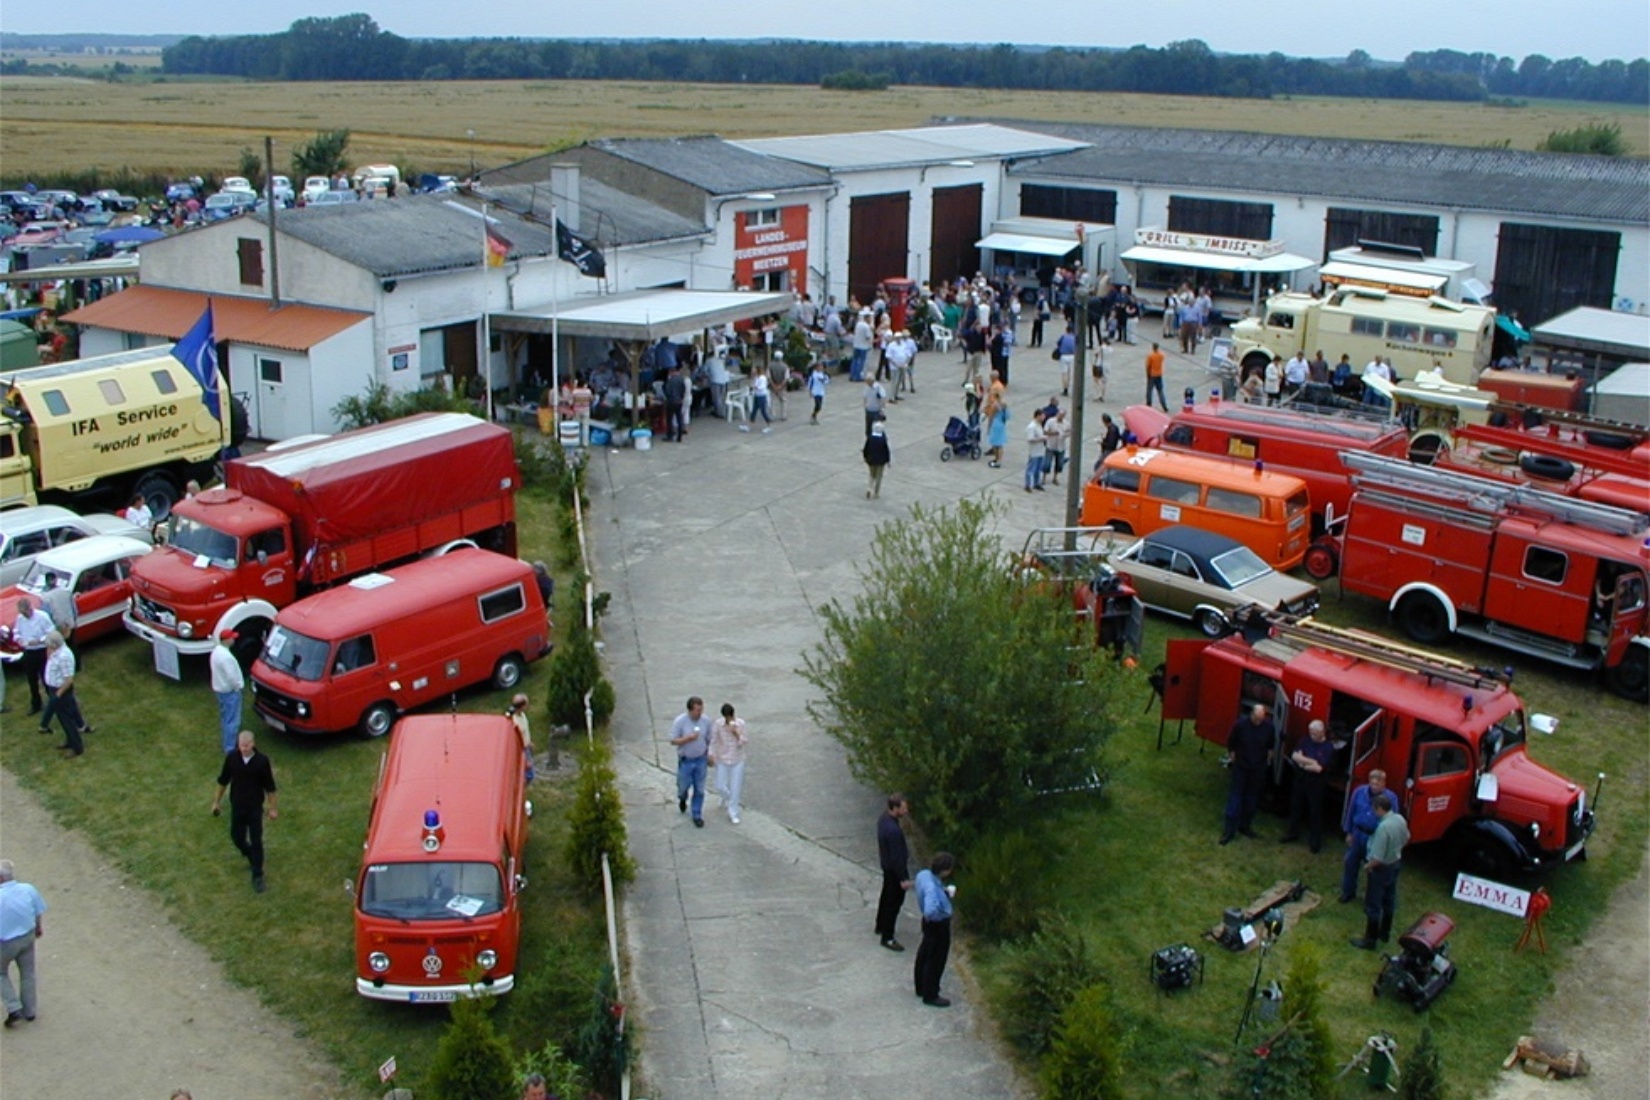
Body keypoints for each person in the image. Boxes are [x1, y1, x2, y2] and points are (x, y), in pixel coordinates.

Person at [212, 730, 279, 892]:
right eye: (241, 745)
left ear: (253, 744)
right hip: (238, 806)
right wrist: (216, 802)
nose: (244, 748)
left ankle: (257, 875)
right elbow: (223, 781)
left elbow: (270, 787)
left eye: (247, 745)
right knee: (236, 837)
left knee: (256, 840)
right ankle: (250, 854)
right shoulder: (232, 758)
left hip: (255, 808)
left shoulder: (262, 762)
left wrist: (272, 808)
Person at [1350, 792, 1409, 950]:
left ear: (1380, 809)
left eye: (1375, 810)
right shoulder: (1400, 819)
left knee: (1373, 904)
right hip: (1395, 863)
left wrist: (1367, 867)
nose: (1374, 813)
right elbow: (1406, 838)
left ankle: (1370, 940)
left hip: (1380, 869)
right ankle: (1385, 932)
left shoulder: (1383, 828)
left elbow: (1377, 858)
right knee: (1389, 899)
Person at [0, 859, 47, 1028]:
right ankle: (30, 1011)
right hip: (27, 936)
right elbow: (37, 911)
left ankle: (13, 1008)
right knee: (28, 973)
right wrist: (38, 929)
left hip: (4, 943)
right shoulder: (28, 889)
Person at [1219, 704, 1274, 845]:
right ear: (1251, 715)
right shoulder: (1241, 725)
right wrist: (1232, 756)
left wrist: (1267, 761)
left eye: (1261, 719)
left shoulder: (1268, 727)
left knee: (1251, 798)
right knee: (1235, 797)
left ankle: (1245, 826)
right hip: (1241, 766)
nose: (1258, 722)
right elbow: (1231, 742)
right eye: (1256, 718)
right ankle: (1229, 831)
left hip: (1258, 768)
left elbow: (1271, 746)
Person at [1280, 720, 1335, 852]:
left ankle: (1315, 842)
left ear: (1322, 732)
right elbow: (1294, 756)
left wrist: (1302, 762)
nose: (1312, 735)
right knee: (1295, 806)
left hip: (1316, 784)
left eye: (1315, 733)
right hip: (1300, 780)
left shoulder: (1328, 747)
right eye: (1311, 732)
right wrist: (1311, 761)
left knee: (1315, 812)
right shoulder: (1305, 740)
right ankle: (1292, 832)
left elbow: (1318, 769)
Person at [912, 852, 956, 1007]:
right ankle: (931, 994)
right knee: (936, 959)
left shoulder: (924, 875)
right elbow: (931, 910)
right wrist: (940, 910)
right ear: (945, 870)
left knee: (925, 953)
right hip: (938, 924)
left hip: (927, 924)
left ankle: (921, 986)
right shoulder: (932, 888)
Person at [1339, 769, 1388, 903]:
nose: (1374, 786)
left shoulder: (1390, 798)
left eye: (1377, 783)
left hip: (1374, 837)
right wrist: (1348, 831)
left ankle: (1371, 898)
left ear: (1384, 783)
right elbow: (1351, 811)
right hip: (1357, 833)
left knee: (1373, 869)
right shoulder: (1359, 792)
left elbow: (1390, 820)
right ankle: (1348, 892)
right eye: (1372, 783)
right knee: (1350, 863)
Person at [41, 631, 90, 757]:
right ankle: (69, 741)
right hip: (54, 688)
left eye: (49, 645)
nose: (47, 648)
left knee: (66, 719)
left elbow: (68, 679)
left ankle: (77, 747)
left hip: (61, 691)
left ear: (55, 645)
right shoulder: (55, 652)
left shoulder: (64, 657)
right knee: (62, 718)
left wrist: (58, 694)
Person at [874, 794, 911, 951]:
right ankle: (887, 937)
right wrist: (903, 878)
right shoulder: (894, 831)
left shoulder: (884, 820)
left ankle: (881, 925)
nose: (906, 811)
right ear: (895, 808)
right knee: (893, 903)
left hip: (887, 867)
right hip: (895, 871)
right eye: (903, 808)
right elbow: (897, 858)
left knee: (886, 897)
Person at [669, 696, 711, 828]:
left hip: (700, 760)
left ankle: (697, 814)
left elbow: (709, 739)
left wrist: (710, 754)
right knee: (683, 786)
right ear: (690, 710)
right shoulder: (680, 722)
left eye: (701, 710)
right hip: (686, 760)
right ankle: (682, 797)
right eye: (697, 710)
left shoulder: (706, 721)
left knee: (699, 788)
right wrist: (688, 738)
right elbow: (673, 740)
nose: (700, 713)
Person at [708, 702, 748, 825]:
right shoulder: (718, 724)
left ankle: (733, 811)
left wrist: (736, 733)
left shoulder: (741, 724)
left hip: (737, 759)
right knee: (720, 785)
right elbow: (713, 740)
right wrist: (711, 754)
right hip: (722, 758)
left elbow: (744, 742)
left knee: (736, 787)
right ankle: (726, 797)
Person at [13, 596, 53, 716]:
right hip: (29, 652)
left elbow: (51, 632)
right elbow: (16, 632)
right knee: (32, 680)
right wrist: (19, 639)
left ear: (30, 608)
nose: (23, 615)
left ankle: (53, 703)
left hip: (41, 650)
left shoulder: (42, 616)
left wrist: (40, 640)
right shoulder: (20, 618)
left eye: (25, 612)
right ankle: (36, 704)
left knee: (46, 678)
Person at [209, 629, 245, 755]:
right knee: (233, 720)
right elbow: (232, 677)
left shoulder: (216, 652)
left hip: (220, 689)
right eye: (232, 638)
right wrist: (238, 686)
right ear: (227, 640)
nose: (234, 639)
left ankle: (228, 742)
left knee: (226, 717)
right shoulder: (226, 658)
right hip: (229, 691)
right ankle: (230, 747)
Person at [507, 692, 534, 783]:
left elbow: (525, 730)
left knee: (529, 773)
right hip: (521, 750)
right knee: (529, 775)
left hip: (526, 746)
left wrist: (529, 742)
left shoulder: (522, 715)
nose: (528, 706)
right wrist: (525, 760)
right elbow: (515, 742)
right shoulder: (514, 722)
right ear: (521, 706)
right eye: (526, 704)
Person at [863, 419, 891, 499]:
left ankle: (869, 488)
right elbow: (886, 451)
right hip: (881, 461)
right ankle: (876, 493)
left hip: (871, 460)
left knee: (872, 475)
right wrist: (888, 460)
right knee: (879, 476)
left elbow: (866, 448)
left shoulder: (870, 438)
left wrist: (865, 457)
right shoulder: (883, 440)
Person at [1023, 408, 1048, 493]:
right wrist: (1041, 438)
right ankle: (1027, 484)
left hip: (1040, 450)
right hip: (1034, 451)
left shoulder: (1039, 425)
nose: (1044, 417)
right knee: (1031, 468)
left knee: (1038, 468)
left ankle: (1036, 483)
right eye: (1042, 416)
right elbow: (1030, 439)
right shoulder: (1032, 426)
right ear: (1038, 416)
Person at [1044, 406, 1069, 486]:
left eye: (1062, 415)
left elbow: (1070, 431)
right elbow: (1045, 431)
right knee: (1047, 463)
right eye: (1059, 414)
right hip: (1051, 445)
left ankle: (1055, 478)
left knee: (1059, 464)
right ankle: (1043, 477)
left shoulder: (1066, 423)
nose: (1060, 416)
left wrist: (1065, 435)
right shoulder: (1050, 421)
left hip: (1061, 446)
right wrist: (1054, 433)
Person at [748, 368, 774, 433]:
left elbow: (762, 387)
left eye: (753, 371)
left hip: (761, 396)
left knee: (763, 411)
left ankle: (769, 425)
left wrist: (754, 387)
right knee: (754, 410)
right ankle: (750, 425)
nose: (752, 373)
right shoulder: (757, 377)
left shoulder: (762, 378)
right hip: (757, 396)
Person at [1144, 343, 1168, 412]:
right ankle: (1164, 405)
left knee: (1149, 390)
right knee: (1160, 391)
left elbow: (1148, 366)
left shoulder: (1150, 356)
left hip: (1152, 374)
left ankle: (1149, 404)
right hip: (1159, 374)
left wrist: (1147, 374)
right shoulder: (1161, 355)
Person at [1053, 325, 1076, 396]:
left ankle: (1065, 389)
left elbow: (1058, 344)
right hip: (1072, 355)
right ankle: (1068, 385)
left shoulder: (1063, 337)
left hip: (1063, 356)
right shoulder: (1075, 338)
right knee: (1069, 373)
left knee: (1064, 373)